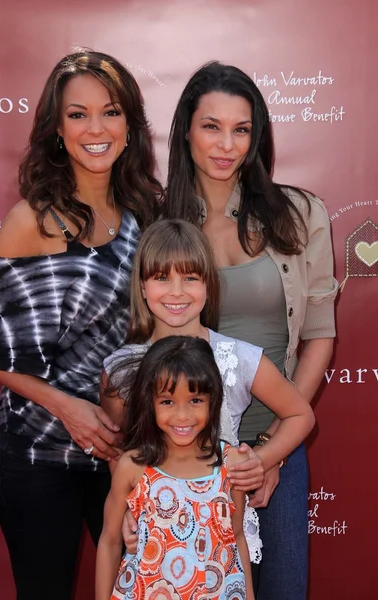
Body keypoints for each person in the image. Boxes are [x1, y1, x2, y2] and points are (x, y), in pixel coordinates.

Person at [0, 49, 162, 600]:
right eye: (77, 115)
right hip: (37, 458)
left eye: (110, 112)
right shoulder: (30, 220)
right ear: (57, 130)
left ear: (130, 125)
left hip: (120, 453)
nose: (95, 128)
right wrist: (68, 408)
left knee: (142, 587)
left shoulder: (143, 215)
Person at [162, 61, 338, 599]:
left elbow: (319, 335)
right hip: (181, 451)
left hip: (277, 443)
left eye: (242, 129)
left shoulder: (300, 213)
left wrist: (270, 452)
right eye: (211, 126)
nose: (227, 144)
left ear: (256, 136)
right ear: (186, 130)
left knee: (283, 589)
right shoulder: (156, 221)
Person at [101, 219, 315, 570]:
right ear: (141, 286)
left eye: (190, 278)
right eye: (161, 278)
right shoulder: (121, 367)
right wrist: (125, 503)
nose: (176, 292)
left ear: (208, 284)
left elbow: (300, 414)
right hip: (154, 533)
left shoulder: (239, 357)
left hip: (222, 535)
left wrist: (262, 459)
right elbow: (119, 446)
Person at [97, 335, 256, 600]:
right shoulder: (133, 467)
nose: (182, 416)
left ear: (212, 400)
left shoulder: (232, 465)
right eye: (168, 401)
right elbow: (110, 541)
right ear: (150, 402)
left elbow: (237, 536)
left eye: (195, 400)